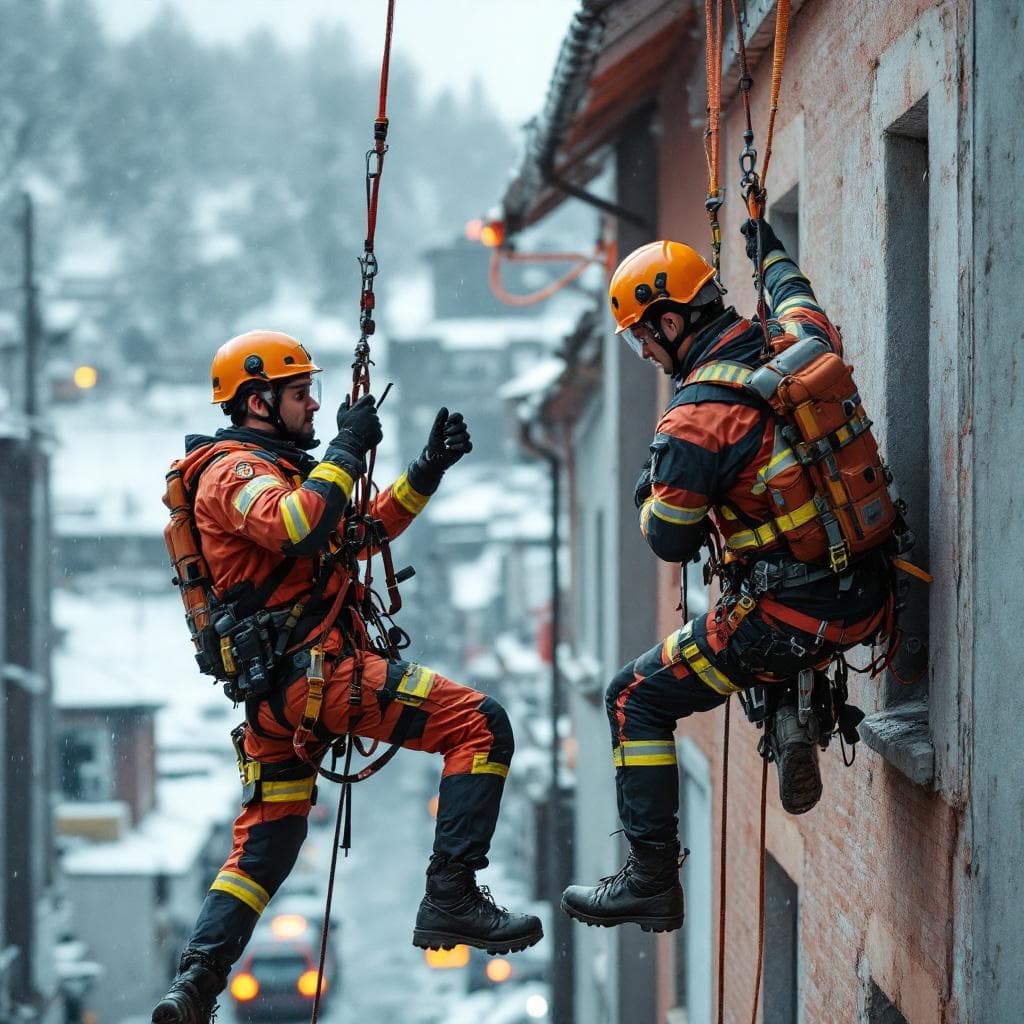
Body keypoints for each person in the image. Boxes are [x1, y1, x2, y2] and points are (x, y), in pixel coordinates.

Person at [153, 330, 542, 1024]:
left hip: (281, 696)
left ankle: (197, 982)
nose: (313, 405)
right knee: (481, 726)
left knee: (268, 844)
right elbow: (300, 525)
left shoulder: (275, 471)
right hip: (320, 678)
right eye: (301, 393)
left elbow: (356, 532)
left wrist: (425, 470)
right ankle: (451, 894)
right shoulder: (233, 474)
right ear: (257, 401)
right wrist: (347, 447)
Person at [560, 222, 895, 933]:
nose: (645, 352)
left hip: (792, 620)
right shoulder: (797, 342)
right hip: (870, 590)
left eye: (643, 337)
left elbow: (669, 539)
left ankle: (651, 880)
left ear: (671, 321)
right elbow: (797, 294)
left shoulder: (693, 418)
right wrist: (768, 247)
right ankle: (790, 707)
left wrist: (650, 488)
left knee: (633, 697)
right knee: (749, 613)